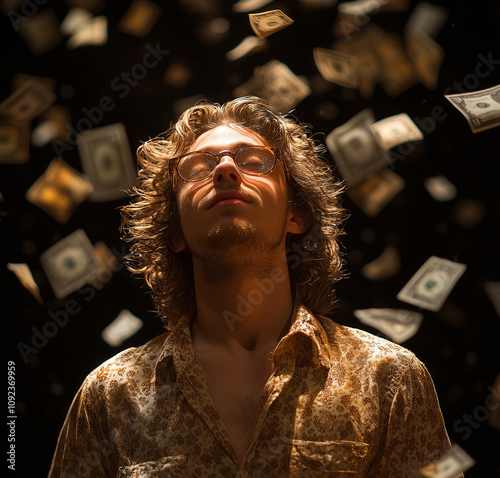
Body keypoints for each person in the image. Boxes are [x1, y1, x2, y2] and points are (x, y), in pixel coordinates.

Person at [49, 97, 461, 477]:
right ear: (174, 232)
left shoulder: (389, 379)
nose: (225, 169)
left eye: (254, 161)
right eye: (197, 167)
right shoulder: (109, 396)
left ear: (295, 216)